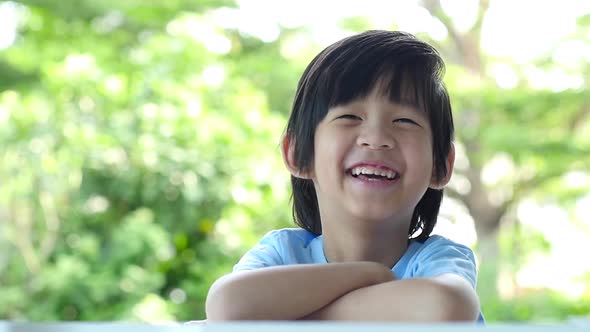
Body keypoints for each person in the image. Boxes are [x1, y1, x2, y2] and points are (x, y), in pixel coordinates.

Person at [205, 30, 483, 322]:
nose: (376, 138)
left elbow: (445, 306)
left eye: (404, 120)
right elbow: (227, 305)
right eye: (349, 117)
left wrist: (294, 318)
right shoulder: (284, 253)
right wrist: (369, 273)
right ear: (299, 154)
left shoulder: (437, 261)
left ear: (441, 165)